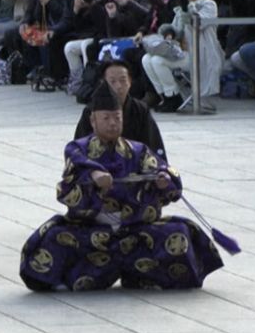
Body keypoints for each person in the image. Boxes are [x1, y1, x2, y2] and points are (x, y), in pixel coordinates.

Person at [20, 83, 224, 291]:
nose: (112, 124)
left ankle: (141, 276)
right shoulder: (78, 148)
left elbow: (166, 172)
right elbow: (76, 172)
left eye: (117, 118)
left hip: (134, 229)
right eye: (106, 118)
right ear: (93, 120)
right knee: (52, 237)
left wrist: (164, 180)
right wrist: (94, 177)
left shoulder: (138, 151)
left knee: (180, 232)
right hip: (91, 230)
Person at [74, 60, 167, 158]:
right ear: (103, 83)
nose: (118, 86)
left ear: (130, 82)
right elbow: (78, 149)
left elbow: (154, 146)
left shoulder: (140, 110)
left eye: (123, 80)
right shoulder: (91, 111)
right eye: (112, 81)